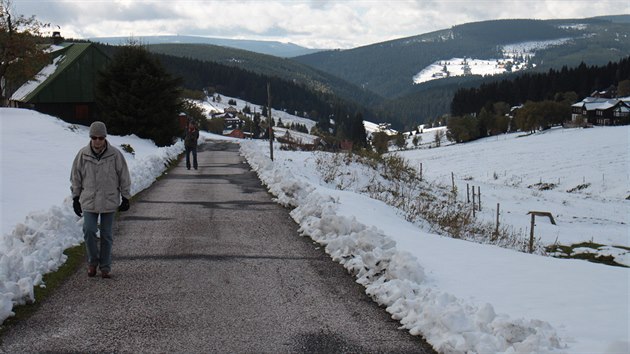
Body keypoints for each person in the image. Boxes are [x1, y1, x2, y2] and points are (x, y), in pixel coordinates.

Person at [70, 121, 131, 279]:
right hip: (89, 200)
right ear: (90, 137)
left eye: (100, 137)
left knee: (106, 234)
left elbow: (123, 176)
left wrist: (125, 197)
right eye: (94, 137)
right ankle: (92, 262)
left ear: (105, 137)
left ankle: (105, 266)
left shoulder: (115, 155)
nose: (97, 141)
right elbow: (76, 177)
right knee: (89, 230)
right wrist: (75, 198)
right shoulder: (82, 155)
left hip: (109, 200)